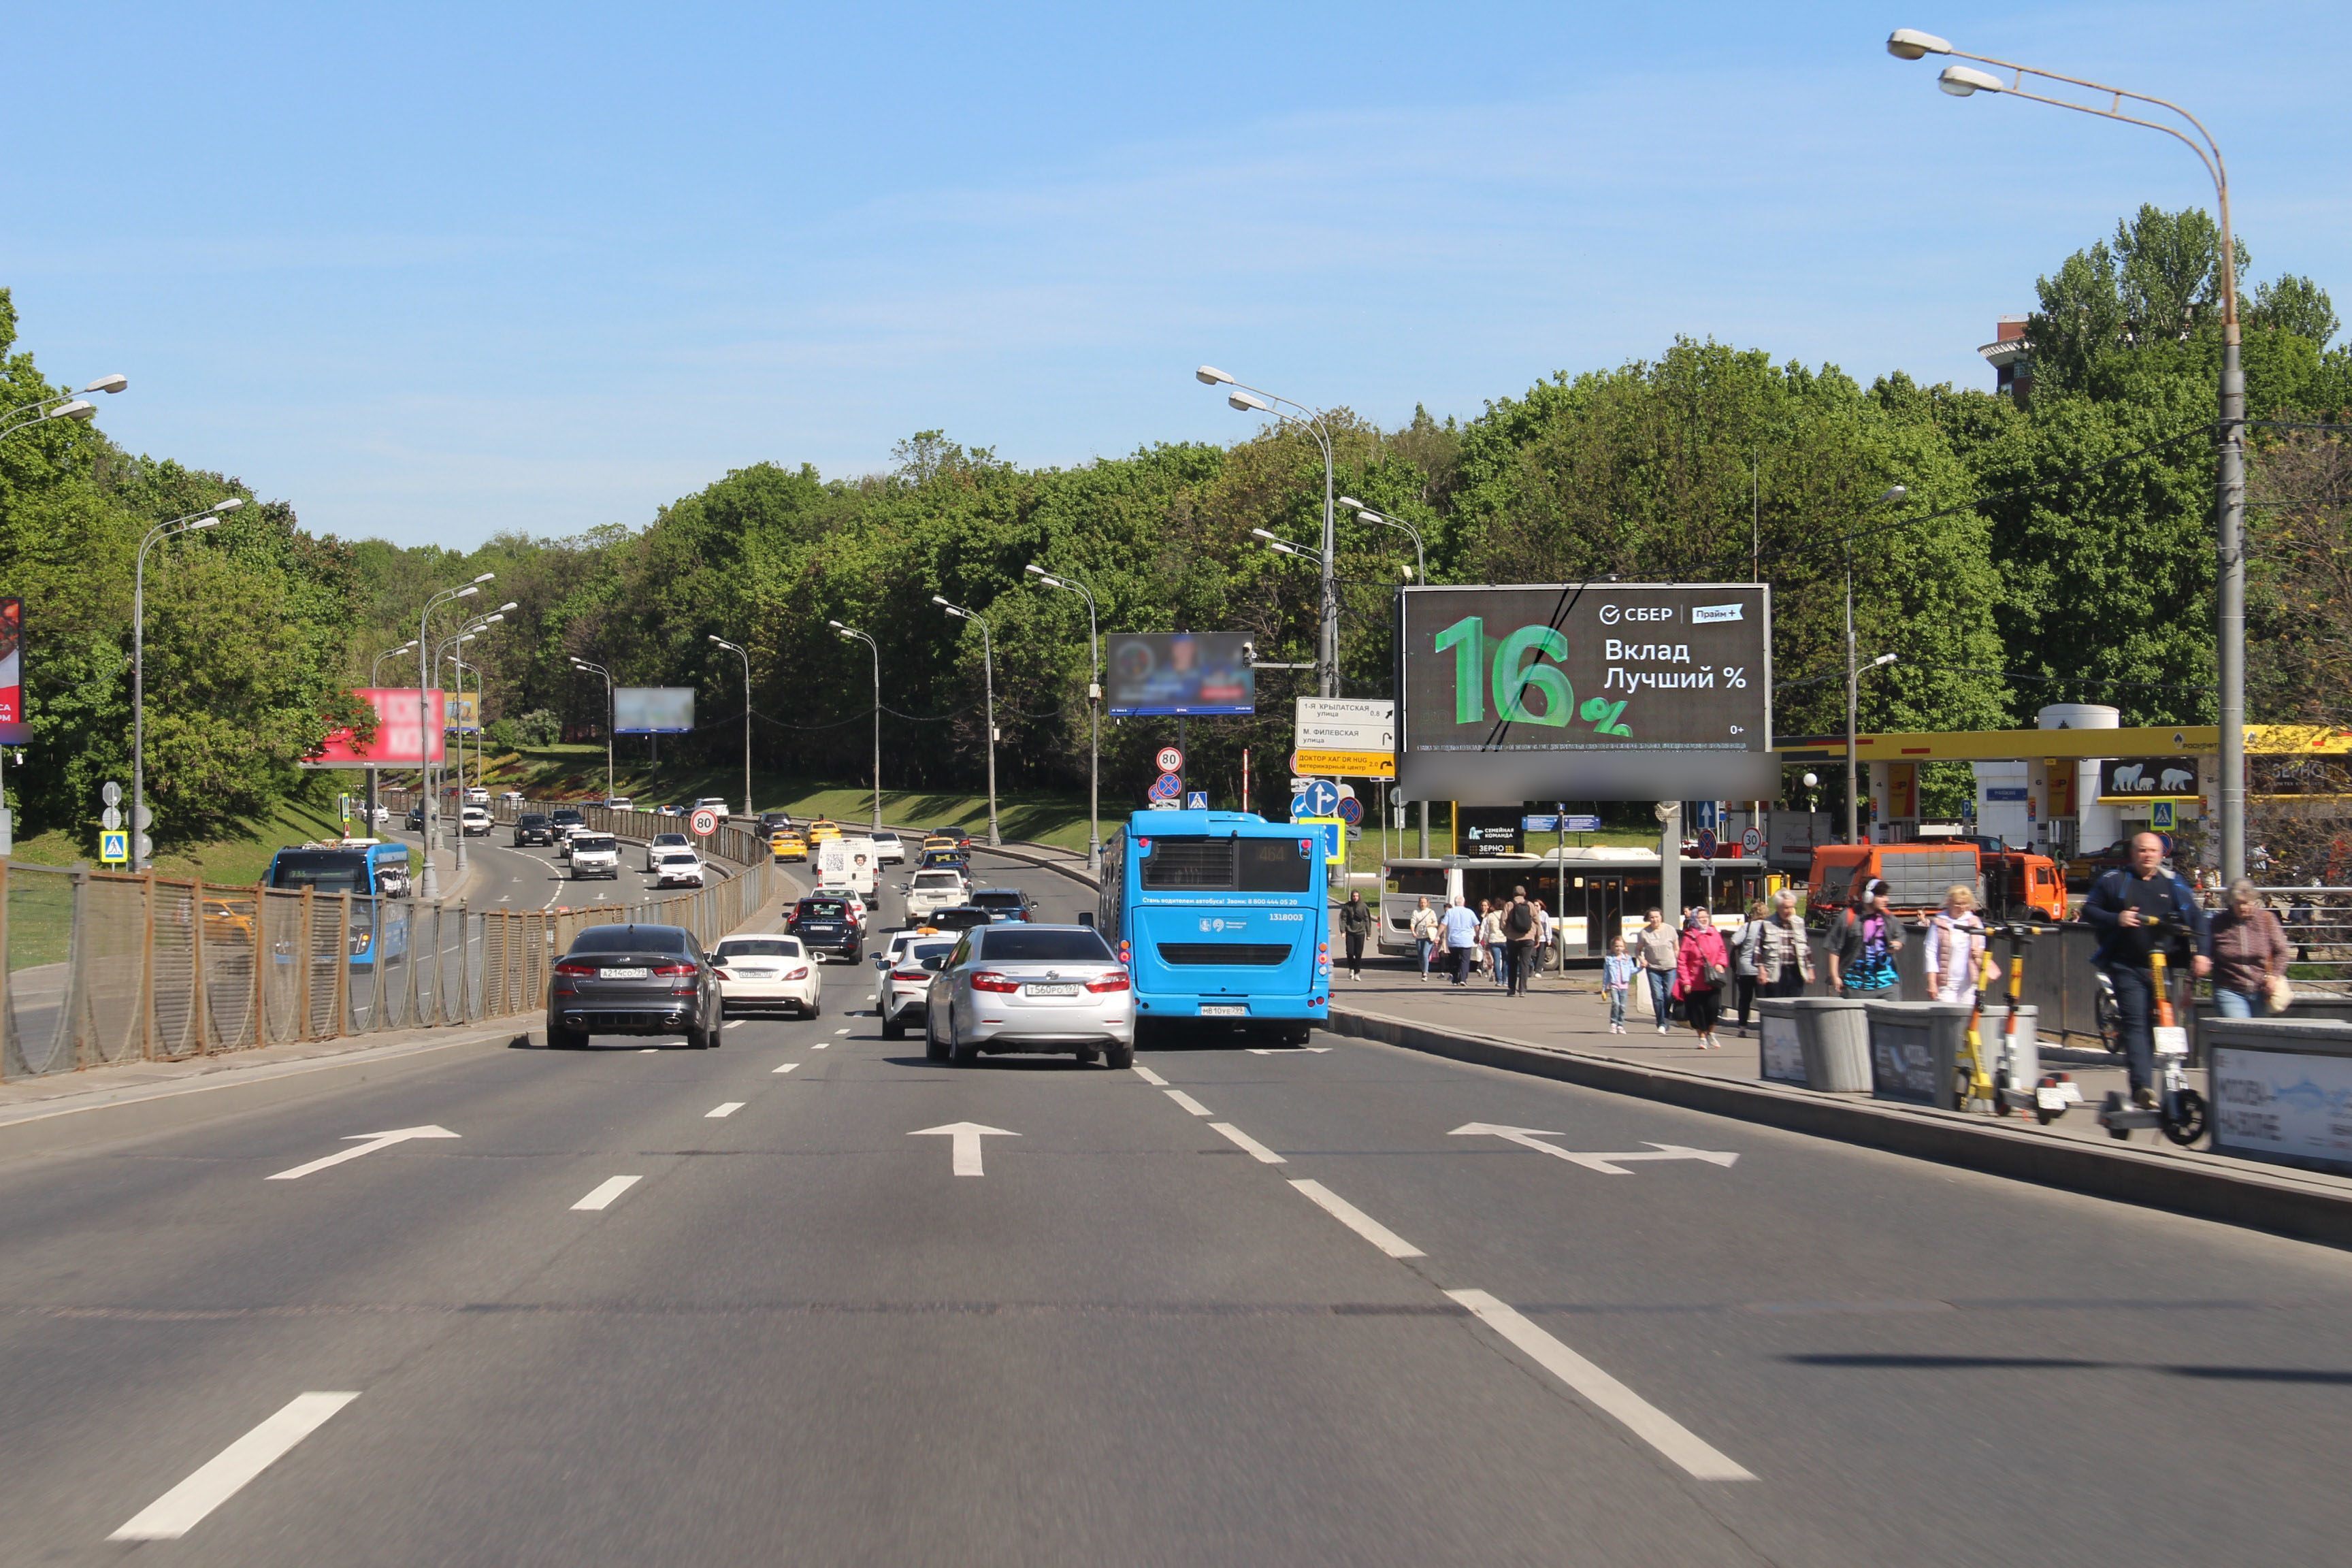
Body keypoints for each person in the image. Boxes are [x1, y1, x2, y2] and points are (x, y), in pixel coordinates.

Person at [2082, 832, 2212, 1108]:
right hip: (2126, 964)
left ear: (2162, 854)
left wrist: (2203, 954)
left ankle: (2174, 1081)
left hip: (2163, 966)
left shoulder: (2173, 883)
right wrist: (2117, 918)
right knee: (2136, 1023)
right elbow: (2090, 910)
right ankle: (2142, 1088)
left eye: (2153, 851)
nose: (2148, 855)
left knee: (2166, 1022)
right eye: (2142, 850)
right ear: (2133, 853)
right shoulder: (2115, 880)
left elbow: (2198, 919)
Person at [2208, 877, 2290, 1018]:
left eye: (2246, 903)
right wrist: (2189, 985)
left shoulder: (2267, 920)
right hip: (2229, 989)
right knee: (2239, 1032)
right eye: (2238, 903)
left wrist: (2274, 976)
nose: (2242, 908)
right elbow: (2205, 954)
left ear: (2253, 901)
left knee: (2257, 1037)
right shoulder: (2218, 923)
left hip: (2261, 990)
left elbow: (2281, 952)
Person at [1827, 878, 1904, 1000]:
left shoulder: (1888, 917)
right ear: (1868, 896)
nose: (1886, 899)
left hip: (1888, 984)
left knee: (1893, 1018)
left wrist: (1898, 944)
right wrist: (1835, 976)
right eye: (1881, 896)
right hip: (1856, 986)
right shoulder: (1848, 916)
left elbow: (1900, 935)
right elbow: (1834, 949)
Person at [1922, 884, 1988, 1006]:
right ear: (1949, 903)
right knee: (1948, 1018)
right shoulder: (1939, 922)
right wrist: (1932, 983)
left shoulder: (1974, 922)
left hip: (1969, 984)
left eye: (1965, 904)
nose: (1962, 908)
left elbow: (1983, 948)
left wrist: (1979, 954)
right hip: (1946, 984)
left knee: (1968, 1020)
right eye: (1958, 904)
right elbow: (1930, 953)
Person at [1673, 909, 1731, 1049]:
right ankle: (1702, 1037)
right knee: (1697, 1011)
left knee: (1713, 1009)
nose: (1704, 919)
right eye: (1701, 917)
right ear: (1695, 919)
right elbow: (1682, 961)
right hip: (1695, 982)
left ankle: (1711, 1033)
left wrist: (1720, 963)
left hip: (1712, 979)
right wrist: (1686, 981)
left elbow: (1722, 951)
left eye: (1706, 917)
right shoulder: (1689, 937)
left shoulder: (1714, 932)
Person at [1754, 889, 1815, 997]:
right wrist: (1761, 970)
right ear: (1778, 907)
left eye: (1792, 907)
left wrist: (1810, 969)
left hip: (1796, 971)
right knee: (1776, 1006)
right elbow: (1757, 950)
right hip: (1775, 972)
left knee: (1794, 1007)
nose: (1789, 911)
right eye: (1786, 908)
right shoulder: (1767, 924)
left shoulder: (1799, 922)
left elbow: (1807, 949)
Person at [1633, 907, 1678, 1033]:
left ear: (1661, 917)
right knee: (1657, 996)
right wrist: (1642, 959)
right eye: (1652, 917)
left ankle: (1666, 1017)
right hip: (1653, 968)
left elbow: (1676, 948)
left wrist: (1677, 958)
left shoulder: (1670, 930)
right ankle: (1661, 1023)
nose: (1655, 920)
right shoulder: (1644, 933)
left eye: (1657, 917)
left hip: (1670, 967)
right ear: (1648, 919)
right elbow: (1638, 949)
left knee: (1668, 995)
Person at [1730, 899, 1768, 1036]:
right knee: (1763, 1000)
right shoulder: (1769, 926)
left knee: (1745, 999)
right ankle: (1765, 1027)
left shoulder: (1748, 926)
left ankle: (1742, 1028)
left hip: (1746, 968)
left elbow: (1734, 940)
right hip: (1763, 969)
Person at [1503, 885, 1537, 996]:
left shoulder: (1509, 904)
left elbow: (1503, 922)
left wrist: (1507, 933)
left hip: (1512, 939)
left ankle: (1512, 989)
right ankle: (1522, 990)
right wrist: (1537, 937)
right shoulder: (1530, 905)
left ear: (1513, 894)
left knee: (1512, 964)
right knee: (1525, 964)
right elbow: (1537, 922)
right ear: (1525, 894)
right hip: (1528, 939)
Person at [1441, 895, 1481, 986]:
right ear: (1464, 903)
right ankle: (1463, 979)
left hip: (1453, 941)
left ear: (1455, 903)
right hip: (1466, 941)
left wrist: (1437, 935)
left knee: (1454, 960)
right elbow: (1476, 925)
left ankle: (1455, 979)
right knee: (1465, 960)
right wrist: (1477, 936)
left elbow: (1443, 925)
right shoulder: (1470, 912)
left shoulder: (1450, 912)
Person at [1338, 889, 1372, 981]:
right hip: (1350, 932)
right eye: (1354, 896)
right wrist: (1343, 931)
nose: (1355, 898)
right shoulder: (1347, 906)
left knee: (1358, 953)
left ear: (1359, 896)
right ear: (1351, 897)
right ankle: (1351, 969)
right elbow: (1343, 918)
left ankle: (1357, 973)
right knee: (1350, 952)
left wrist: (1369, 933)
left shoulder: (1363, 906)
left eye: (1357, 896)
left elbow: (1367, 919)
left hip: (1360, 933)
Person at [1603, 936, 1635, 1034]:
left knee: (1623, 1006)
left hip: (1624, 986)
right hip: (1614, 985)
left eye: (1621, 946)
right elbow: (1606, 975)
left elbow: (1632, 970)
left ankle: (1620, 1025)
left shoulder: (1628, 959)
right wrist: (1604, 988)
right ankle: (1613, 1024)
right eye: (1616, 946)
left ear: (1624, 947)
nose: (1619, 948)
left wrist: (1642, 967)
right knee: (1616, 1003)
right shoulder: (1609, 960)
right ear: (1613, 947)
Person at [1409, 896, 1441, 981]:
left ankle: (1425, 973)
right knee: (1420, 956)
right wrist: (1413, 932)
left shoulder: (1431, 912)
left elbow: (1436, 923)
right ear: (1419, 903)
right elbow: (1413, 923)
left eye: (1424, 902)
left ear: (1427, 903)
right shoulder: (1416, 912)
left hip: (1429, 936)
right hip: (1419, 936)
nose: (1423, 904)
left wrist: (1429, 925)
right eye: (1421, 902)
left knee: (1425, 954)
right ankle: (1423, 970)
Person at [1480, 898, 1509, 991]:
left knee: (1496, 961)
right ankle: (1505, 980)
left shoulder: (1490, 916)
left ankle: (1499, 980)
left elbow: (1487, 930)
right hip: (1504, 939)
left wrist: (1486, 941)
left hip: (1494, 940)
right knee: (1505, 960)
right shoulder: (1506, 915)